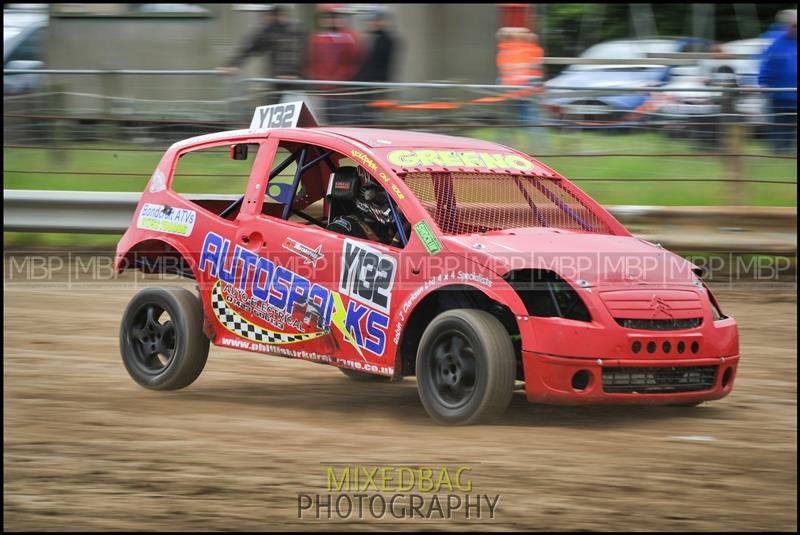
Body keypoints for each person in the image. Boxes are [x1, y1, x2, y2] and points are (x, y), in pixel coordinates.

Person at [218, 5, 305, 103]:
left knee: (295, 108)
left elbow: (295, 51)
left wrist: (290, 73)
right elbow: (250, 45)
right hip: (279, 82)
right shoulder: (271, 30)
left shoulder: (294, 30)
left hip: (295, 81)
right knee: (281, 106)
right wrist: (232, 64)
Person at [307, 4, 362, 125]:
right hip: (324, 90)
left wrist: (346, 80)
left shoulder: (350, 38)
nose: (332, 20)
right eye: (328, 17)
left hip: (344, 91)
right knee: (328, 123)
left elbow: (356, 61)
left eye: (335, 16)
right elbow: (312, 61)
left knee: (344, 123)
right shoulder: (317, 38)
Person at [496, 27, 544, 149]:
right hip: (523, 90)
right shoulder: (526, 50)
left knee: (514, 120)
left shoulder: (505, 52)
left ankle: (507, 144)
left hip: (516, 91)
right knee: (531, 120)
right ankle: (537, 145)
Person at [758, 9, 797, 154]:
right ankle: (779, 151)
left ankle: (789, 151)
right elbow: (766, 64)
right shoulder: (776, 43)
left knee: (792, 125)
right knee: (779, 124)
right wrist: (763, 82)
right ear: (787, 26)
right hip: (779, 94)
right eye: (794, 25)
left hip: (794, 93)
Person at [352, 8, 397, 125]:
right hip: (365, 81)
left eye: (377, 20)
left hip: (378, 81)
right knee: (364, 111)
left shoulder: (388, 39)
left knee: (374, 113)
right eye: (373, 20)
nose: (374, 23)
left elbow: (385, 63)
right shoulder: (368, 38)